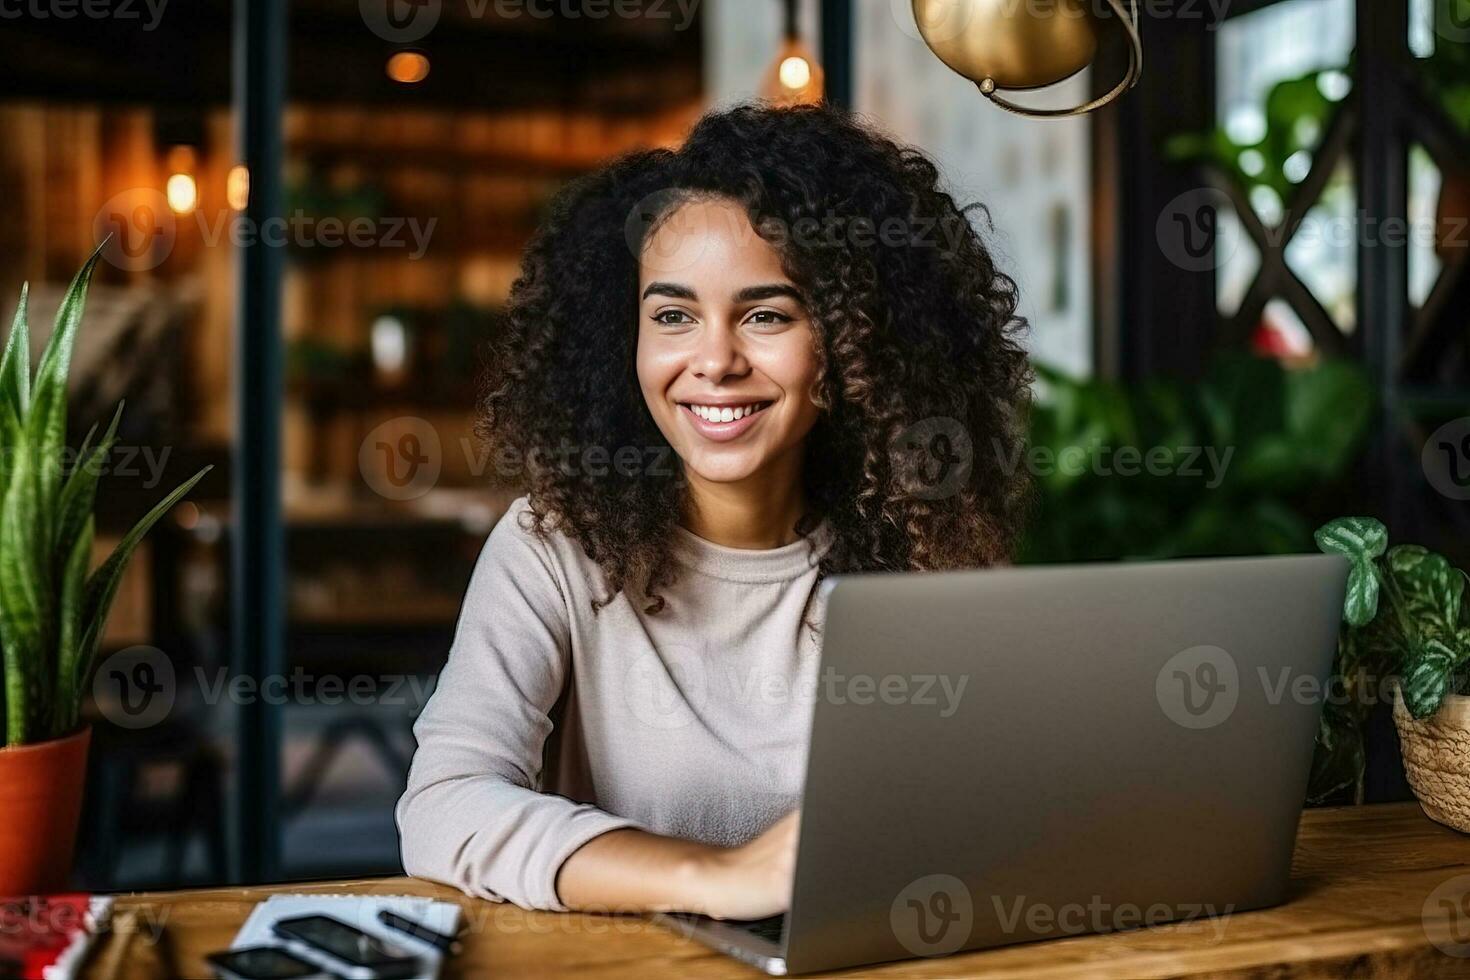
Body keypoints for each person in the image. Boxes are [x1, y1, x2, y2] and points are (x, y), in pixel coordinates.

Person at [396, 101, 1031, 920]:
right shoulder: (553, 547)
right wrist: (717, 877)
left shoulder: (926, 546)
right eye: (673, 316)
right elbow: (444, 807)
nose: (715, 361)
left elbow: (991, 817)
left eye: (766, 314)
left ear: (851, 341)